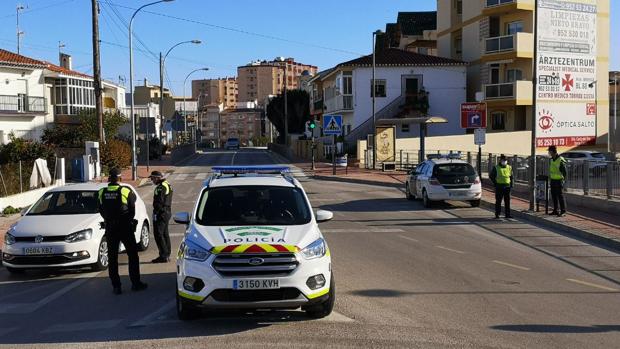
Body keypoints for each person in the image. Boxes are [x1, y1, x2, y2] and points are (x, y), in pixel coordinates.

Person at [97, 168, 148, 295]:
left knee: (112, 257)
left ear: (109, 178)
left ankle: (116, 286)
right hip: (125, 227)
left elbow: (101, 209)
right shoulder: (125, 190)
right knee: (132, 255)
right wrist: (128, 220)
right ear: (120, 179)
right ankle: (135, 283)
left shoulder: (101, 192)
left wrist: (108, 219)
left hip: (110, 228)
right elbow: (132, 208)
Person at [150, 171, 173, 263]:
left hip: (161, 213)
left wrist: (156, 212)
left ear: (157, 178)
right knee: (164, 234)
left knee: (159, 234)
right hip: (166, 212)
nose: (152, 180)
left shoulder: (160, 187)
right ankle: (167, 254)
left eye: (152, 178)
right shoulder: (167, 184)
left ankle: (163, 256)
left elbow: (159, 202)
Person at [490, 154, 513, 219]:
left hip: (507, 187)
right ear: (500, 160)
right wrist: (495, 183)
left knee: (507, 201)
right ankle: (497, 214)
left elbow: (511, 177)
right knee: (498, 201)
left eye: (505, 160)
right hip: (499, 187)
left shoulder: (509, 167)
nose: (504, 161)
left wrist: (511, 185)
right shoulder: (496, 167)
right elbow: (491, 176)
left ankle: (507, 214)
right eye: (503, 160)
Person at [548, 145, 567, 216]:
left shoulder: (560, 160)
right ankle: (555, 210)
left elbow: (565, 172)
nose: (549, 153)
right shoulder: (552, 159)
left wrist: (563, 180)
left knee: (560, 196)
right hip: (553, 180)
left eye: (549, 151)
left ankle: (563, 211)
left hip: (559, 181)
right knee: (554, 196)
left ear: (552, 151)